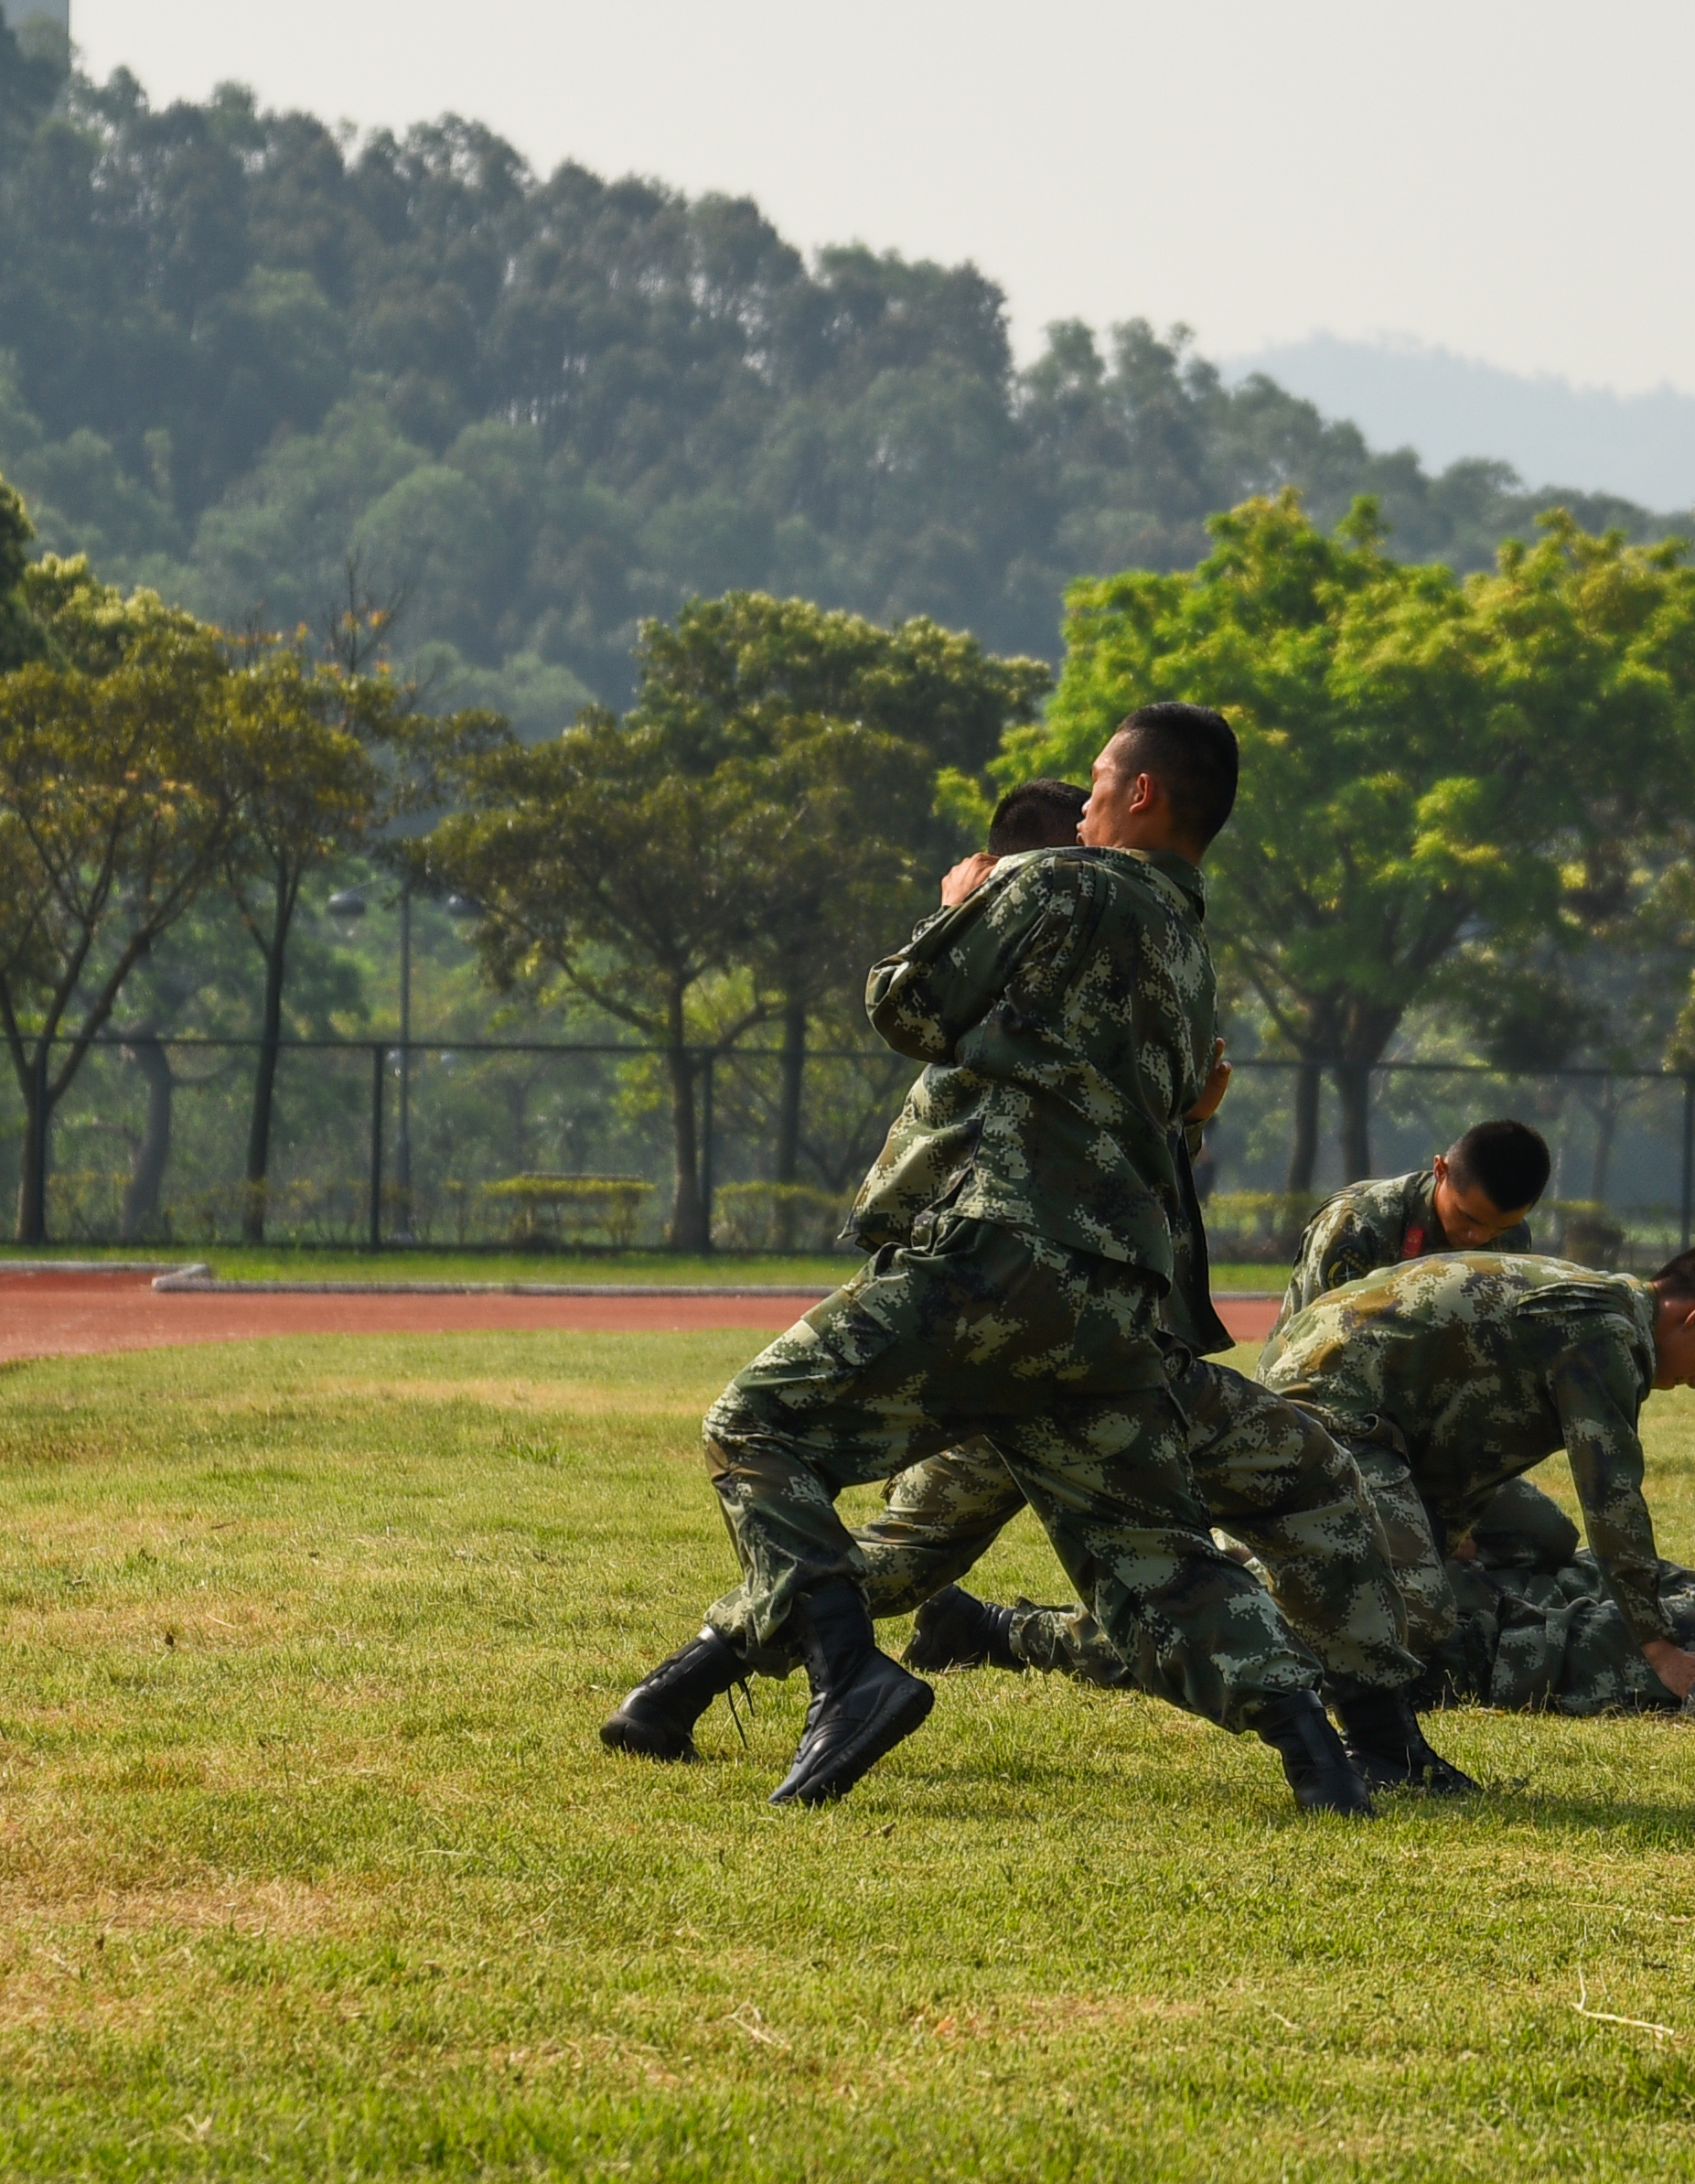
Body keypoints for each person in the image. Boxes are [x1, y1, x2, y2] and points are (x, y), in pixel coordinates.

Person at [596, 704, 1391, 1817]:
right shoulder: (1188, 948)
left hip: (996, 1261)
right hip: (1111, 1307)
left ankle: (848, 1677)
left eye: (1101, 780)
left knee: (754, 1424)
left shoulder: (1062, 882)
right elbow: (1154, 1129)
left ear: (1144, 794)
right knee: (1154, 1559)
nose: (1084, 801)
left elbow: (906, 1006)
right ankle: (1319, 1763)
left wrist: (962, 908)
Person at [915, 1485, 1695, 1726]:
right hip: (1451, 1640)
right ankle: (1003, 1629)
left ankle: (995, 1627)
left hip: (1458, 1599)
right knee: (1217, 1643)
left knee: (1225, 1625)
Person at [1258, 1242, 1695, 1710]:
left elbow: (1469, 1427)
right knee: (1420, 1609)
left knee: (1541, 1532)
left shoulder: (1599, 1299)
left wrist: (1443, 1527)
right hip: (1326, 1413)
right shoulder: (1603, 1335)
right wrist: (1660, 1648)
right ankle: (1249, 1594)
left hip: (1369, 1410)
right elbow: (1611, 1497)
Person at [1280, 1118, 1552, 1322]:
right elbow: (1315, 1338)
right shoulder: (1359, 1225)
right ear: (1440, 1170)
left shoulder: (1513, 1238)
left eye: (1499, 1228)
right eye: (1468, 1218)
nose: (1479, 1238)